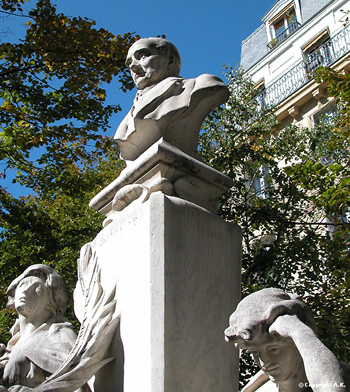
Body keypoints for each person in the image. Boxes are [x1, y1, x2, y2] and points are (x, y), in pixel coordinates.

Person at [114, 37, 229, 162]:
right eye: (130, 63)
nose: (133, 67)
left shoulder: (200, 85)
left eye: (142, 56)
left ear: (170, 61)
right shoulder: (127, 118)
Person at [224, 288, 350, 392]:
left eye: (273, 349)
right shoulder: (262, 389)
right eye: (255, 352)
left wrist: (300, 331)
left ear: (296, 341)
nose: (264, 361)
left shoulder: (339, 377)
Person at [0, 265, 81, 391]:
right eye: (22, 285)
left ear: (50, 303)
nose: (26, 292)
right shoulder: (11, 348)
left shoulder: (60, 336)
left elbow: (77, 383)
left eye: (37, 289)